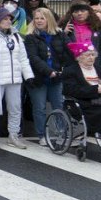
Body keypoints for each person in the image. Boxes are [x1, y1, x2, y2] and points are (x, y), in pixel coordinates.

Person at [0, 6, 34, 149]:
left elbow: (23, 58)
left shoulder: (16, 36)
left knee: (15, 108)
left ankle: (13, 135)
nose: (8, 21)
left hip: (14, 79)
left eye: (9, 19)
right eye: (4, 19)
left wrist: (28, 75)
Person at [25, 8, 68, 146]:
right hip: (38, 78)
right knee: (40, 108)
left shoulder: (59, 34)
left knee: (58, 106)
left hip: (56, 77)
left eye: (42, 18)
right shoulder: (30, 37)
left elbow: (68, 51)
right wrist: (49, 71)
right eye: (36, 18)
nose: (38, 21)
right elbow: (33, 58)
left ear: (48, 19)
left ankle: (61, 132)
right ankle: (42, 135)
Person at [61, 40, 101, 139]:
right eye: (87, 55)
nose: (91, 57)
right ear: (79, 57)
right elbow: (71, 90)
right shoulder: (70, 71)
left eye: (93, 55)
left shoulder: (100, 69)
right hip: (85, 105)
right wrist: (97, 90)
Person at [62, 0, 101, 68]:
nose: (79, 13)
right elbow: (58, 50)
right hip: (73, 69)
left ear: (88, 12)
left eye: (83, 10)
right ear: (71, 14)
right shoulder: (64, 27)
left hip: (96, 67)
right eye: (76, 11)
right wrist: (64, 34)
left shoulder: (99, 27)